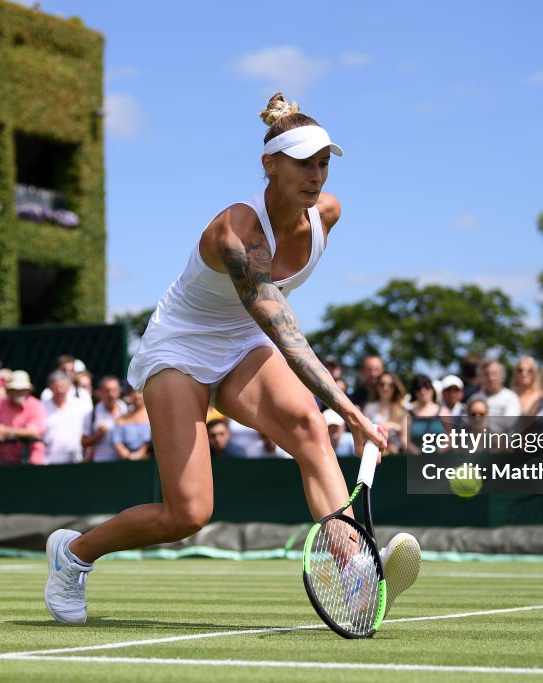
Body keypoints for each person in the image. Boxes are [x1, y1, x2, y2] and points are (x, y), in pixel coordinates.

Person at [44, 93, 417, 624]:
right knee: (188, 513)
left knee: (308, 425)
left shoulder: (328, 213)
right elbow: (286, 334)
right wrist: (353, 413)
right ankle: (73, 555)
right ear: (269, 165)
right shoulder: (235, 234)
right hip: (181, 346)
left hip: (242, 340)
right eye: (303, 163)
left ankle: (353, 566)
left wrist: (336, 413)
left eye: (323, 163)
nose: (316, 176)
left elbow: (274, 326)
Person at [0, 370, 46, 466]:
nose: (19, 392)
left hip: (30, 462)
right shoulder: (0, 404)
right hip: (3, 461)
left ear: (28, 390)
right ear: (10, 390)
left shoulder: (36, 405)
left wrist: (6, 431)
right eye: (16, 389)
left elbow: (34, 432)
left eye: (22, 389)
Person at [42, 371, 87, 464]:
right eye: (56, 387)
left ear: (69, 388)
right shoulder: (42, 407)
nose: (59, 390)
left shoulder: (80, 406)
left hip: (76, 460)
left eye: (62, 387)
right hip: (48, 461)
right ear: (50, 388)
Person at [81, 375, 127, 462]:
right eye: (107, 391)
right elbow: (84, 443)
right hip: (101, 464)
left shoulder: (128, 411)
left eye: (113, 390)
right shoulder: (91, 415)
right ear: (100, 392)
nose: (110, 394)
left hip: (125, 463)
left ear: (119, 391)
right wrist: (99, 435)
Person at [363, 371, 409, 454]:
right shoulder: (369, 408)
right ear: (377, 387)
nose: (385, 388)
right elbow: (364, 433)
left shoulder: (402, 409)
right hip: (375, 452)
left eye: (390, 385)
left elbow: (407, 437)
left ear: (395, 388)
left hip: (398, 454)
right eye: (382, 384)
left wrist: (395, 426)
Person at [475, 360, 521, 434]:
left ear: (502, 376)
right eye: (487, 374)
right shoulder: (475, 399)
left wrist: (481, 421)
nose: (491, 378)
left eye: (494, 374)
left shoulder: (511, 398)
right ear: (481, 377)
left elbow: (508, 423)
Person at [407, 373, 447, 453]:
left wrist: (438, 453)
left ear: (432, 389)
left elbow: (450, 437)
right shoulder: (408, 414)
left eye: (426, 387)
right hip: (416, 460)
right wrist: (419, 455)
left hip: (441, 460)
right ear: (414, 392)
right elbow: (405, 441)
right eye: (418, 388)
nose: (423, 391)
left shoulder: (443, 411)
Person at [110, 386, 152, 461]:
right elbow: (117, 441)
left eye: (139, 392)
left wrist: (141, 454)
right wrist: (127, 455)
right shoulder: (121, 418)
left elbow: (149, 442)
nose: (136, 396)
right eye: (133, 392)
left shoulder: (153, 416)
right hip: (126, 463)